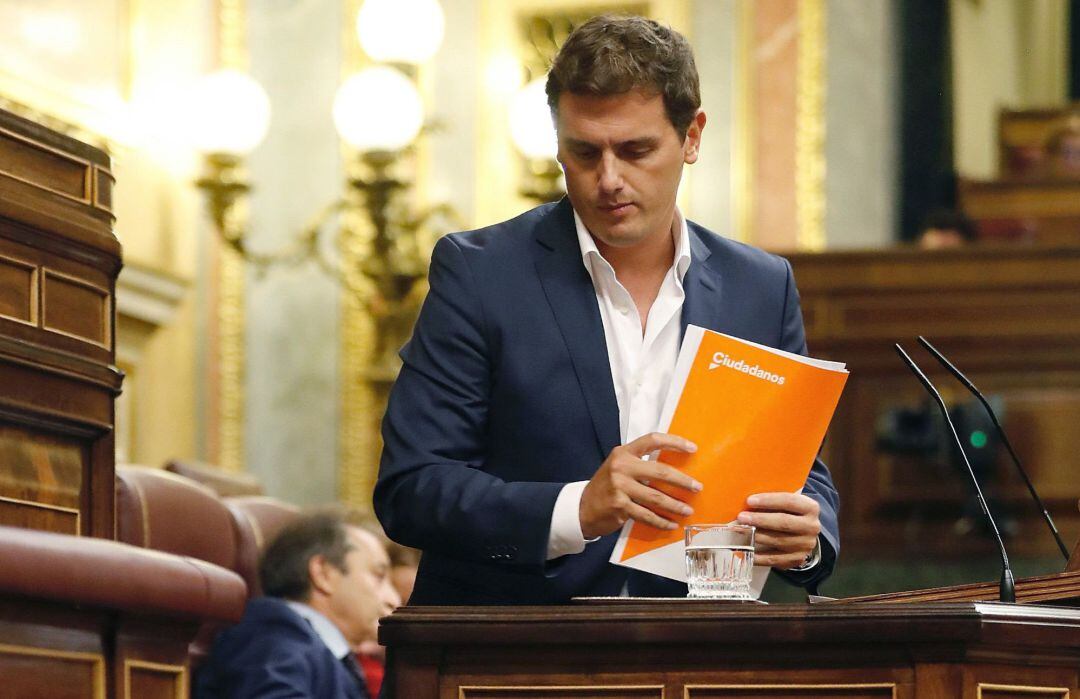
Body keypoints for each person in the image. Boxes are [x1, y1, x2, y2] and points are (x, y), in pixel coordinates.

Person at [375, 14, 838, 605]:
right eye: (584, 153)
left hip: (699, 648)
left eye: (635, 150)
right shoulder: (480, 274)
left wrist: (811, 534)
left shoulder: (761, 286)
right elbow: (412, 489)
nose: (608, 180)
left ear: (692, 136)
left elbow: (799, 468)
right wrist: (576, 508)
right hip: (512, 650)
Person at [194, 511, 400, 699]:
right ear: (324, 574)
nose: (394, 599)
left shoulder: (325, 653)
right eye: (379, 576)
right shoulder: (274, 633)